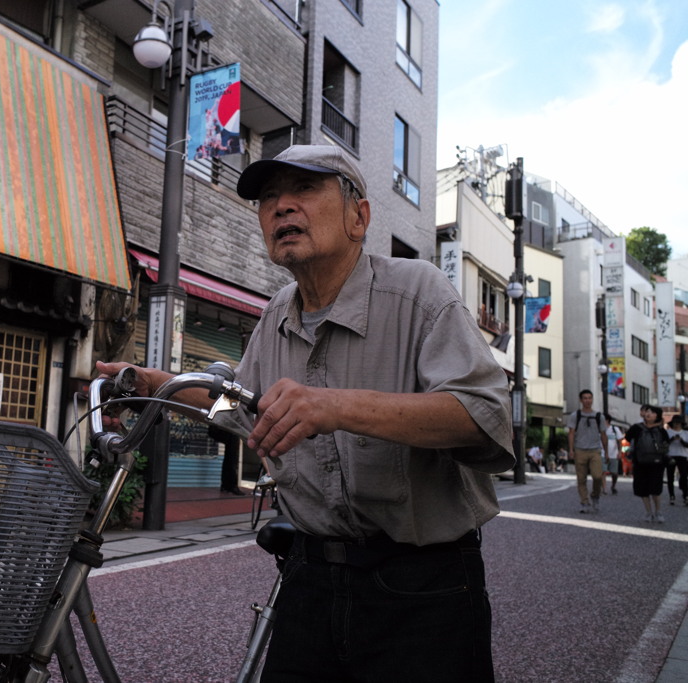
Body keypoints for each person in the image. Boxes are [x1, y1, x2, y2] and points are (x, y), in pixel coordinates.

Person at [97, 145, 515, 681]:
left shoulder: (419, 292)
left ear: (358, 216)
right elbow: (241, 408)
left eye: (305, 190)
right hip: (310, 572)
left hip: (425, 585)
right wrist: (159, 383)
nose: (282, 207)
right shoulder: (274, 315)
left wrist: (338, 406)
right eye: (269, 197)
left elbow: (482, 417)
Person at [566, 390, 608, 513]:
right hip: (580, 449)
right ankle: (584, 502)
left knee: (597, 476)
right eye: (585, 398)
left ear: (592, 399)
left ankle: (595, 495)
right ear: (581, 400)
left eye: (589, 398)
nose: (587, 400)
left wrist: (606, 451)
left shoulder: (599, 416)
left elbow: (603, 434)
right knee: (581, 478)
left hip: (595, 449)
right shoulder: (575, 415)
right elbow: (571, 433)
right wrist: (571, 449)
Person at [629, 405, 670, 523]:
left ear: (657, 416)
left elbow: (666, 446)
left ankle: (658, 511)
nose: (648, 414)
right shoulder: (637, 428)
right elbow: (628, 438)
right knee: (642, 488)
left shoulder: (662, 431)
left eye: (652, 412)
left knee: (655, 489)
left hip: (657, 464)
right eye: (647, 411)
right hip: (640, 462)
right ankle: (648, 512)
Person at [665, 415, 688, 506]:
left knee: (684, 476)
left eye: (678, 423)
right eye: (675, 423)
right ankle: (672, 495)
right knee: (670, 477)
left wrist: (681, 441)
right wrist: (672, 439)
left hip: (683, 455)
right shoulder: (668, 432)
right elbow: (664, 444)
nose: (677, 424)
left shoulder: (685, 433)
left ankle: (685, 495)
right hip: (671, 455)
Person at [603, 414, 624, 494]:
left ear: (607, 420)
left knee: (614, 473)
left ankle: (613, 485)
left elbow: (620, 441)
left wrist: (619, 452)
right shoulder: (599, 430)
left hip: (613, 454)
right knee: (603, 471)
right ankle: (604, 488)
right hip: (602, 453)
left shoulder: (615, 429)